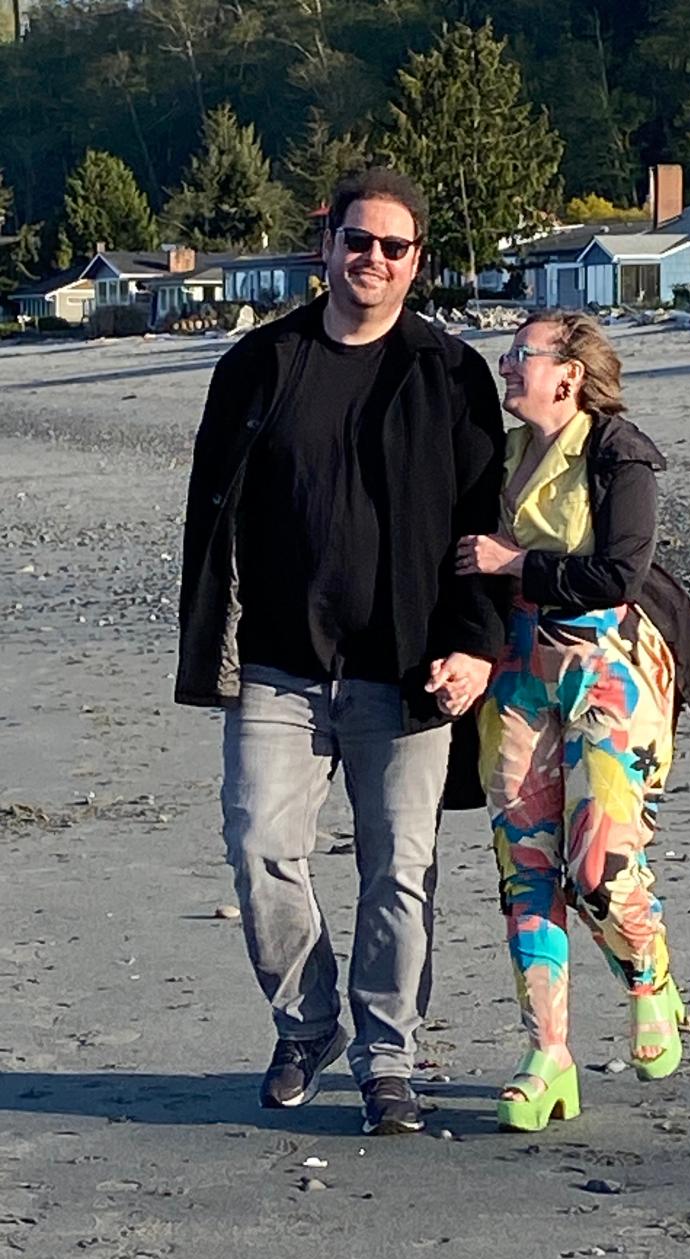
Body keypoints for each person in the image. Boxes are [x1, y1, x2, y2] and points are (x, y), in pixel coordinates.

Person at [175, 167, 505, 1136]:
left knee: (399, 870)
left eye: (392, 246)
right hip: (280, 664)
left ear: (417, 263)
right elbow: (213, 516)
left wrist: (476, 645)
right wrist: (214, 644)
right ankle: (309, 1023)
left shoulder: (449, 373)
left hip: (405, 670)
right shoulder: (259, 365)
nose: (372, 258)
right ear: (325, 249)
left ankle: (388, 1061)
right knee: (262, 850)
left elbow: (483, 524)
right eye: (357, 240)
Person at [456, 311, 690, 1132]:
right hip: (516, 670)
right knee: (526, 867)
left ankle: (650, 977)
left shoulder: (618, 450)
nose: (504, 365)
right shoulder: (498, 456)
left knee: (600, 862)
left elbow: (621, 568)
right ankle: (547, 1057)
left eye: (520, 354)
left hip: (614, 666)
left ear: (567, 372)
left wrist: (517, 563)